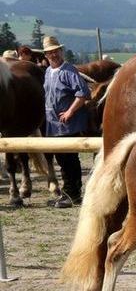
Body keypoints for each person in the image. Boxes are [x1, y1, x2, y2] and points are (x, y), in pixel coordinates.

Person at [42, 35, 90, 208]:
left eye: (55, 51)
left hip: (68, 124)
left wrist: (70, 111)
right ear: (45, 56)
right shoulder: (48, 72)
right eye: (49, 53)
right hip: (53, 124)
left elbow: (83, 93)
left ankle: (73, 194)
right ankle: (67, 192)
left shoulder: (69, 71)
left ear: (60, 51)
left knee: (69, 159)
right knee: (61, 159)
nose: (53, 55)